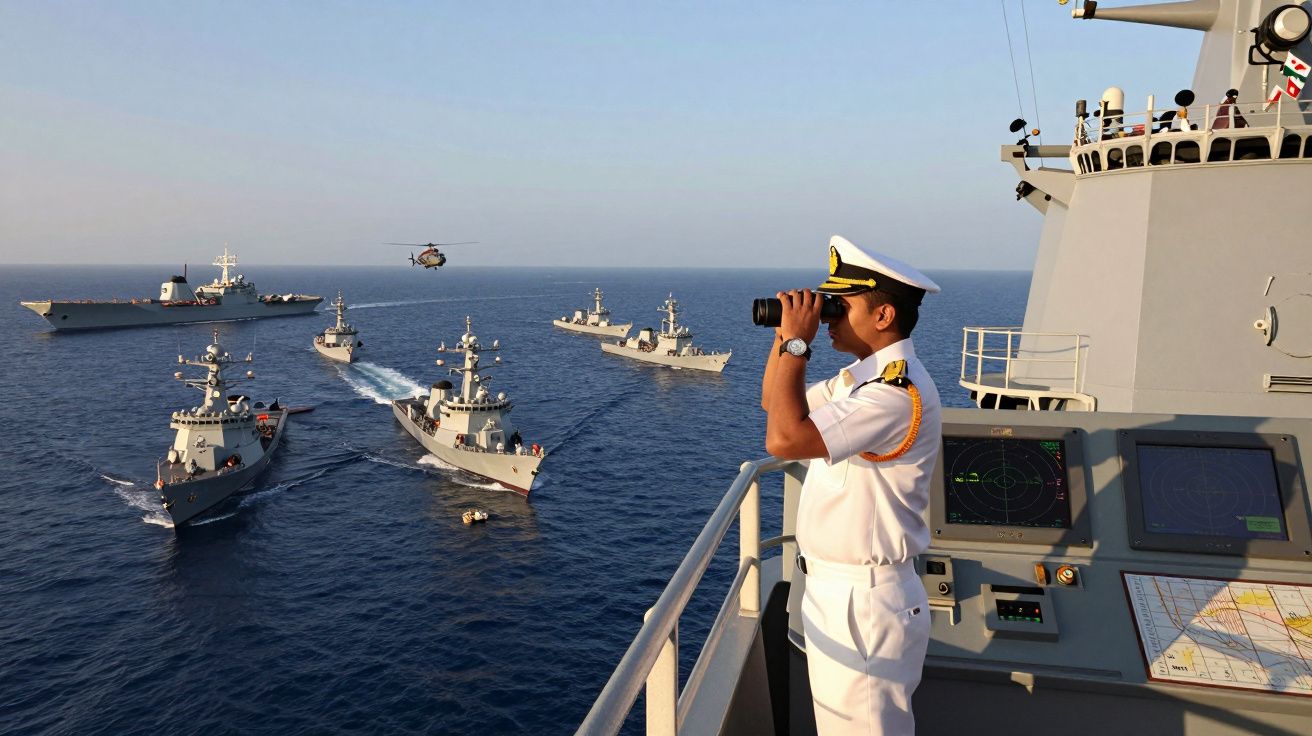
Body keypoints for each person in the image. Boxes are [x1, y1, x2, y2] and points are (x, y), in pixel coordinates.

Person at [760, 235, 941, 735]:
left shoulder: (894, 394)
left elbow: (783, 439)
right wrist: (785, 337)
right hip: (837, 594)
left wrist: (799, 344)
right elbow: (773, 404)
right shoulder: (858, 382)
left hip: (864, 602)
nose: (829, 317)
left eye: (841, 306)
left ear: (883, 316)